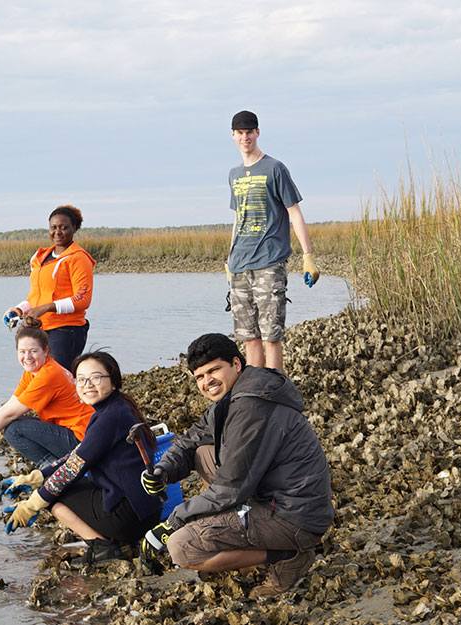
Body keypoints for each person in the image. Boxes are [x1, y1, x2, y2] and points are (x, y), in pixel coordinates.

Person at [138, 333, 333, 598]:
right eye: (200, 377)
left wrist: (173, 522)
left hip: (294, 516)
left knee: (181, 546)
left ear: (237, 364)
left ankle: (287, 555)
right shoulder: (238, 394)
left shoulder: (250, 406)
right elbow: (192, 439)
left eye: (214, 370)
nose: (208, 382)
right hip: (271, 497)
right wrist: (164, 470)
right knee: (203, 452)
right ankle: (236, 532)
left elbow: (230, 489)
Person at [2, 352, 162, 565]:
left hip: (131, 517)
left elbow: (72, 469)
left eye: (96, 378)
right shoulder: (117, 407)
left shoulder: (109, 418)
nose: (88, 385)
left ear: (113, 381)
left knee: (54, 496)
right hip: (146, 510)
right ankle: (112, 538)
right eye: (81, 379)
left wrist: (31, 505)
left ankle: (102, 547)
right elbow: (78, 453)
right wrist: (35, 477)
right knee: (52, 485)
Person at [224, 110, 318, 373]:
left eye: (249, 132)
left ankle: (274, 386)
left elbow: (294, 213)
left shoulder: (275, 169)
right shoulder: (233, 175)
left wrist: (307, 256)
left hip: (269, 262)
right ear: (233, 136)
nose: (245, 137)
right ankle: (256, 389)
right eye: (240, 133)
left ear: (258, 133)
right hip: (240, 263)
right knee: (249, 335)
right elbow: (237, 218)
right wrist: (229, 260)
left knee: (271, 335)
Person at [0, 326, 92, 468]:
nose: (27, 357)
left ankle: (53, 469)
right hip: (75, 432)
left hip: (81, 440)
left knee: (14, 430)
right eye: (22, 351)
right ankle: (55, 467)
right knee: (13, 423)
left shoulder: (48, 375)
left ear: (45, 351)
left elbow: (10, 414)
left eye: (33, 351)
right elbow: (9, 406)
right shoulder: (33, 371)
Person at [8, 205, 95, 371]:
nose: (58, 232)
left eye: (64, 227)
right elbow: (35, 297)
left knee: (59, 379)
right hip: (40, 329)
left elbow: (83, 300)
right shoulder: (40, 257)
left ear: (75, 228)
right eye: (53, 227)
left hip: (66, 331)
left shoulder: (78, 258)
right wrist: (18, 310)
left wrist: (47, 307)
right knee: (38, 376)